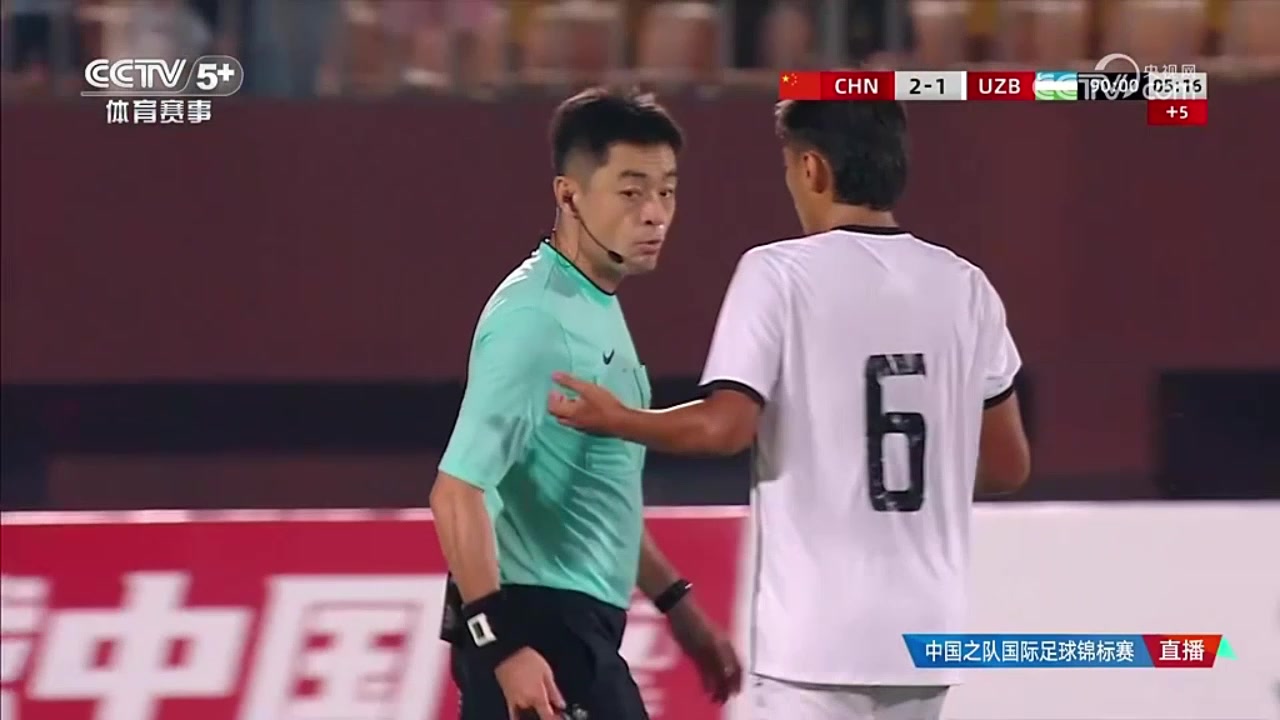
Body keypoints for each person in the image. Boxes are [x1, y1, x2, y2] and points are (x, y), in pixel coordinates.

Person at [547, 100, 1031, 720]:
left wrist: (619, 419)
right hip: (928, 634)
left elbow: (725, 427)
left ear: (812, 169)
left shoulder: (777, 273)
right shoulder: (966, 286)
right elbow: (1007, 465)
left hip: (816, 635)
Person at [429, 87, 742, 720]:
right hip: (537, 632)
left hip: (575, 630)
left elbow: (595, 490)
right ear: (569, 196)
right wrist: (502, 647)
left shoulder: (591, 306)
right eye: (631, 192)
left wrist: (676, 604)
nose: (655, 214)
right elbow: (455, 492)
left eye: (667, 191)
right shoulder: (535, 319)